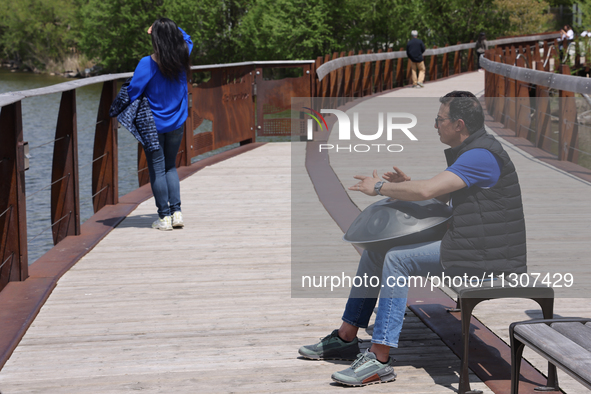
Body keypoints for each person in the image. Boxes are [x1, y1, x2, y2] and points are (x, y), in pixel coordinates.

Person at [298, 91, 527, 387]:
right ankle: (346, 337)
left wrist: (379, 187)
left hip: (487, 255)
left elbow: (427, 192)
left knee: (398, 258)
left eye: (439, 119)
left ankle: (379, 359)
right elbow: (438, 194)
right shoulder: (473, 150)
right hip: (471, 245)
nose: (435, 125)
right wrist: (405, 185)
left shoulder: (482, 155)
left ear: (458, 124)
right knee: (376, 252)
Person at [127, 18, 193, 231]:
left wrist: (156, 28)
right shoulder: (183, 57)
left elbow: (133, 92)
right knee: (170, 166)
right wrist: (168, 28)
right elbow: (187, 38)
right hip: (176, 122)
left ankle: (163, 218)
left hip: (153, 125)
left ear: (155, 39)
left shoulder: (147, 63)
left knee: (157, 169)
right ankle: (177, 213)